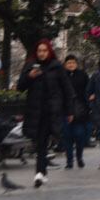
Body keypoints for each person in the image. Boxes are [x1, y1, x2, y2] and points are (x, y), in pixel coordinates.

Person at [15, 39, 74, 186]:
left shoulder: (57, 67)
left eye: (44, 51)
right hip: (36, 111)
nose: (41, 54)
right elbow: (20, 87)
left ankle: (41, 171)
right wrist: (30, 76)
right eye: (39, 51)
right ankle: (41, 172)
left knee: (46, 140)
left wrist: (69, 110)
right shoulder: (30, 66)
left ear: (49, 51)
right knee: (40, 142)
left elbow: (67, 89)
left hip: (52, 111)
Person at [63, 54, 91, 169]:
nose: (71, 65)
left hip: (80, 110)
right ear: (65, 64)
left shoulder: (82, 75)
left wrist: (88, 102)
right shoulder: (61, 76)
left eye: (73, 63)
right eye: (68, 63)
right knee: (67, 136)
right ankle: (69, 161)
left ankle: (79, 157)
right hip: (64, 110)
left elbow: (88, 90)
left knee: (79, 135)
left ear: (76, 64)